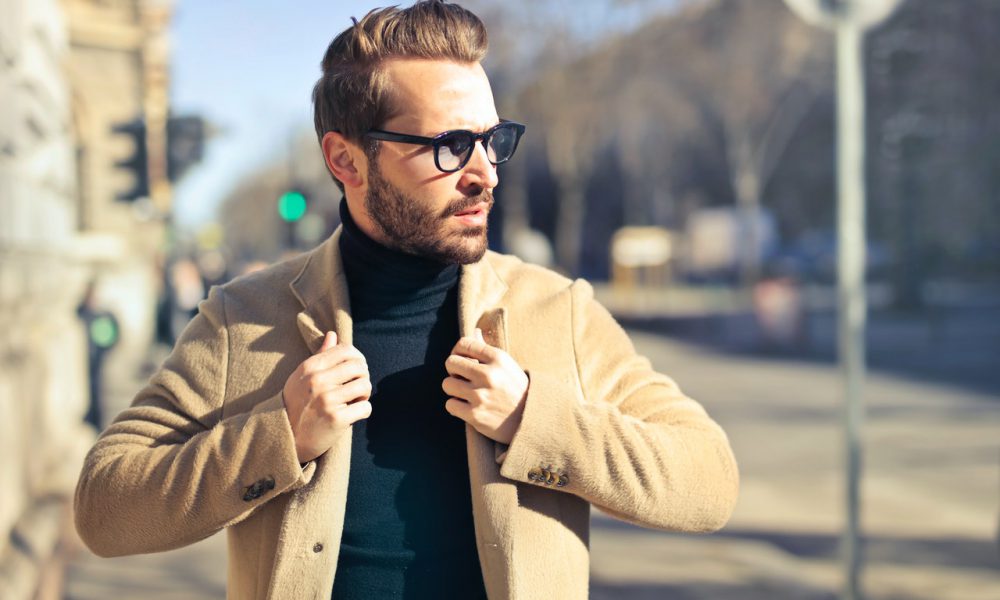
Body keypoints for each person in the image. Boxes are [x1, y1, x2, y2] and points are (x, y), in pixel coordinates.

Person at [73, 2, 738, 598]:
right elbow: (103, 509)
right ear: (347, 161)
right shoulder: (243, 319)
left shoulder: (558, 310)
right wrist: (279, 437)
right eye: (451, 146)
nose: (485, 174)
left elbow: (709, 482)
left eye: (493, 141)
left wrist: (537, 420)